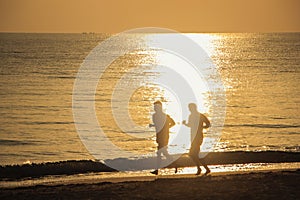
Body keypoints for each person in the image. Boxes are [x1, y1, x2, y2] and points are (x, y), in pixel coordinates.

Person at [182, 103, 211, 175]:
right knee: (194, 154)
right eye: (189, 108)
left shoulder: (199, 116)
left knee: (193, 154)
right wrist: (185, 124)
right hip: (193, 136)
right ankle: (203, 169)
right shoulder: (192, 116)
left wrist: (201, 128)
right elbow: (190, 125)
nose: (189, 109)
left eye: (190, 108)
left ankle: (202, 169)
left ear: (193, 108)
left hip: (198, 137)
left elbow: (208, 124)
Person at [149, 101, 176, 175]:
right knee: (164, 153)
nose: (155, 109)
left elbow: (173, 123)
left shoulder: (165, 116)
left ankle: (157, 170)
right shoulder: (154, 116)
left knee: (159, 153)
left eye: (156, 107)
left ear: (160, 108)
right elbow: (158, 125)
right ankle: (174, 163)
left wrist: (167, 128)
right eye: (154, 107)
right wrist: (152, 126)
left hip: (164, 136)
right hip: (159, 135)